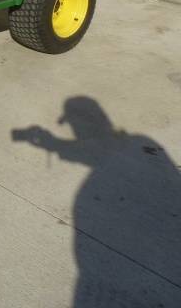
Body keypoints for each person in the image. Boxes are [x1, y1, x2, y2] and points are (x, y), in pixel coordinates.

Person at [12, 96, 181, 307]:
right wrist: (53, 144)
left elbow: (97, 152)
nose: (75, 130)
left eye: (74, 123)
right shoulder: (142, 144)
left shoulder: (103, 181)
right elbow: (99, 150)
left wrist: (54, 145)